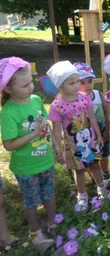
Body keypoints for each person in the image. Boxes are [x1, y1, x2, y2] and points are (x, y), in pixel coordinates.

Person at [0, 57, 58, 251]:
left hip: (45, 160)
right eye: (24, 85)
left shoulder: (35, 100)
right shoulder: (8, 112)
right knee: (32, 200)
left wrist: (57, 146)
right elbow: (9, 145)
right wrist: (33, 133)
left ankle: (52, 222)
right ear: (8, 89)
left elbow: (46, 126)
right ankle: (36, 231)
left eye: (31, 82)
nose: (31, 88)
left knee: (49, 194)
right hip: (26, 168)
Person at [48, 61, 105, 212]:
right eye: (71, 83)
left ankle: (101, 187)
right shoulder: (56, 106)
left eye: (77, 81)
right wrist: (58, 150)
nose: (76, 85)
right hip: (73, 144)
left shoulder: (84, 97)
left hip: (90, 139)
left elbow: (92, 117)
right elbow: (55, 131)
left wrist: (99, 135)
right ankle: (82, 195)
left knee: (94, 164)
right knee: (79, 170)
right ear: (60, 86)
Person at [74, 62, 110, 178]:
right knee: (91, 158)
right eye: (82, 82)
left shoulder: (98, 95)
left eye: (90, 81)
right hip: (87, 137)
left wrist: (106, 131)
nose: (87, 85)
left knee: (105, 154)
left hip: (101, 131)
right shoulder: (75, 100)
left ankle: (105, 172)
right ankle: (94, 176)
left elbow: (106, 112)